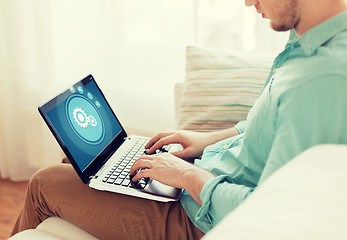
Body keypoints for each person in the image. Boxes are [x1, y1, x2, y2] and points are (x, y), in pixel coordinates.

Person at [12, 0, 347, 239]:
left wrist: (188, 176)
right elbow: (270, 129)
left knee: (44, 183)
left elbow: (272, 213)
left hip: (200, 219)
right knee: (86, 166)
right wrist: (206, 140)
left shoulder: (322, 78)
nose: (247, 3)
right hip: (204, 181)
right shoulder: (308, 44)